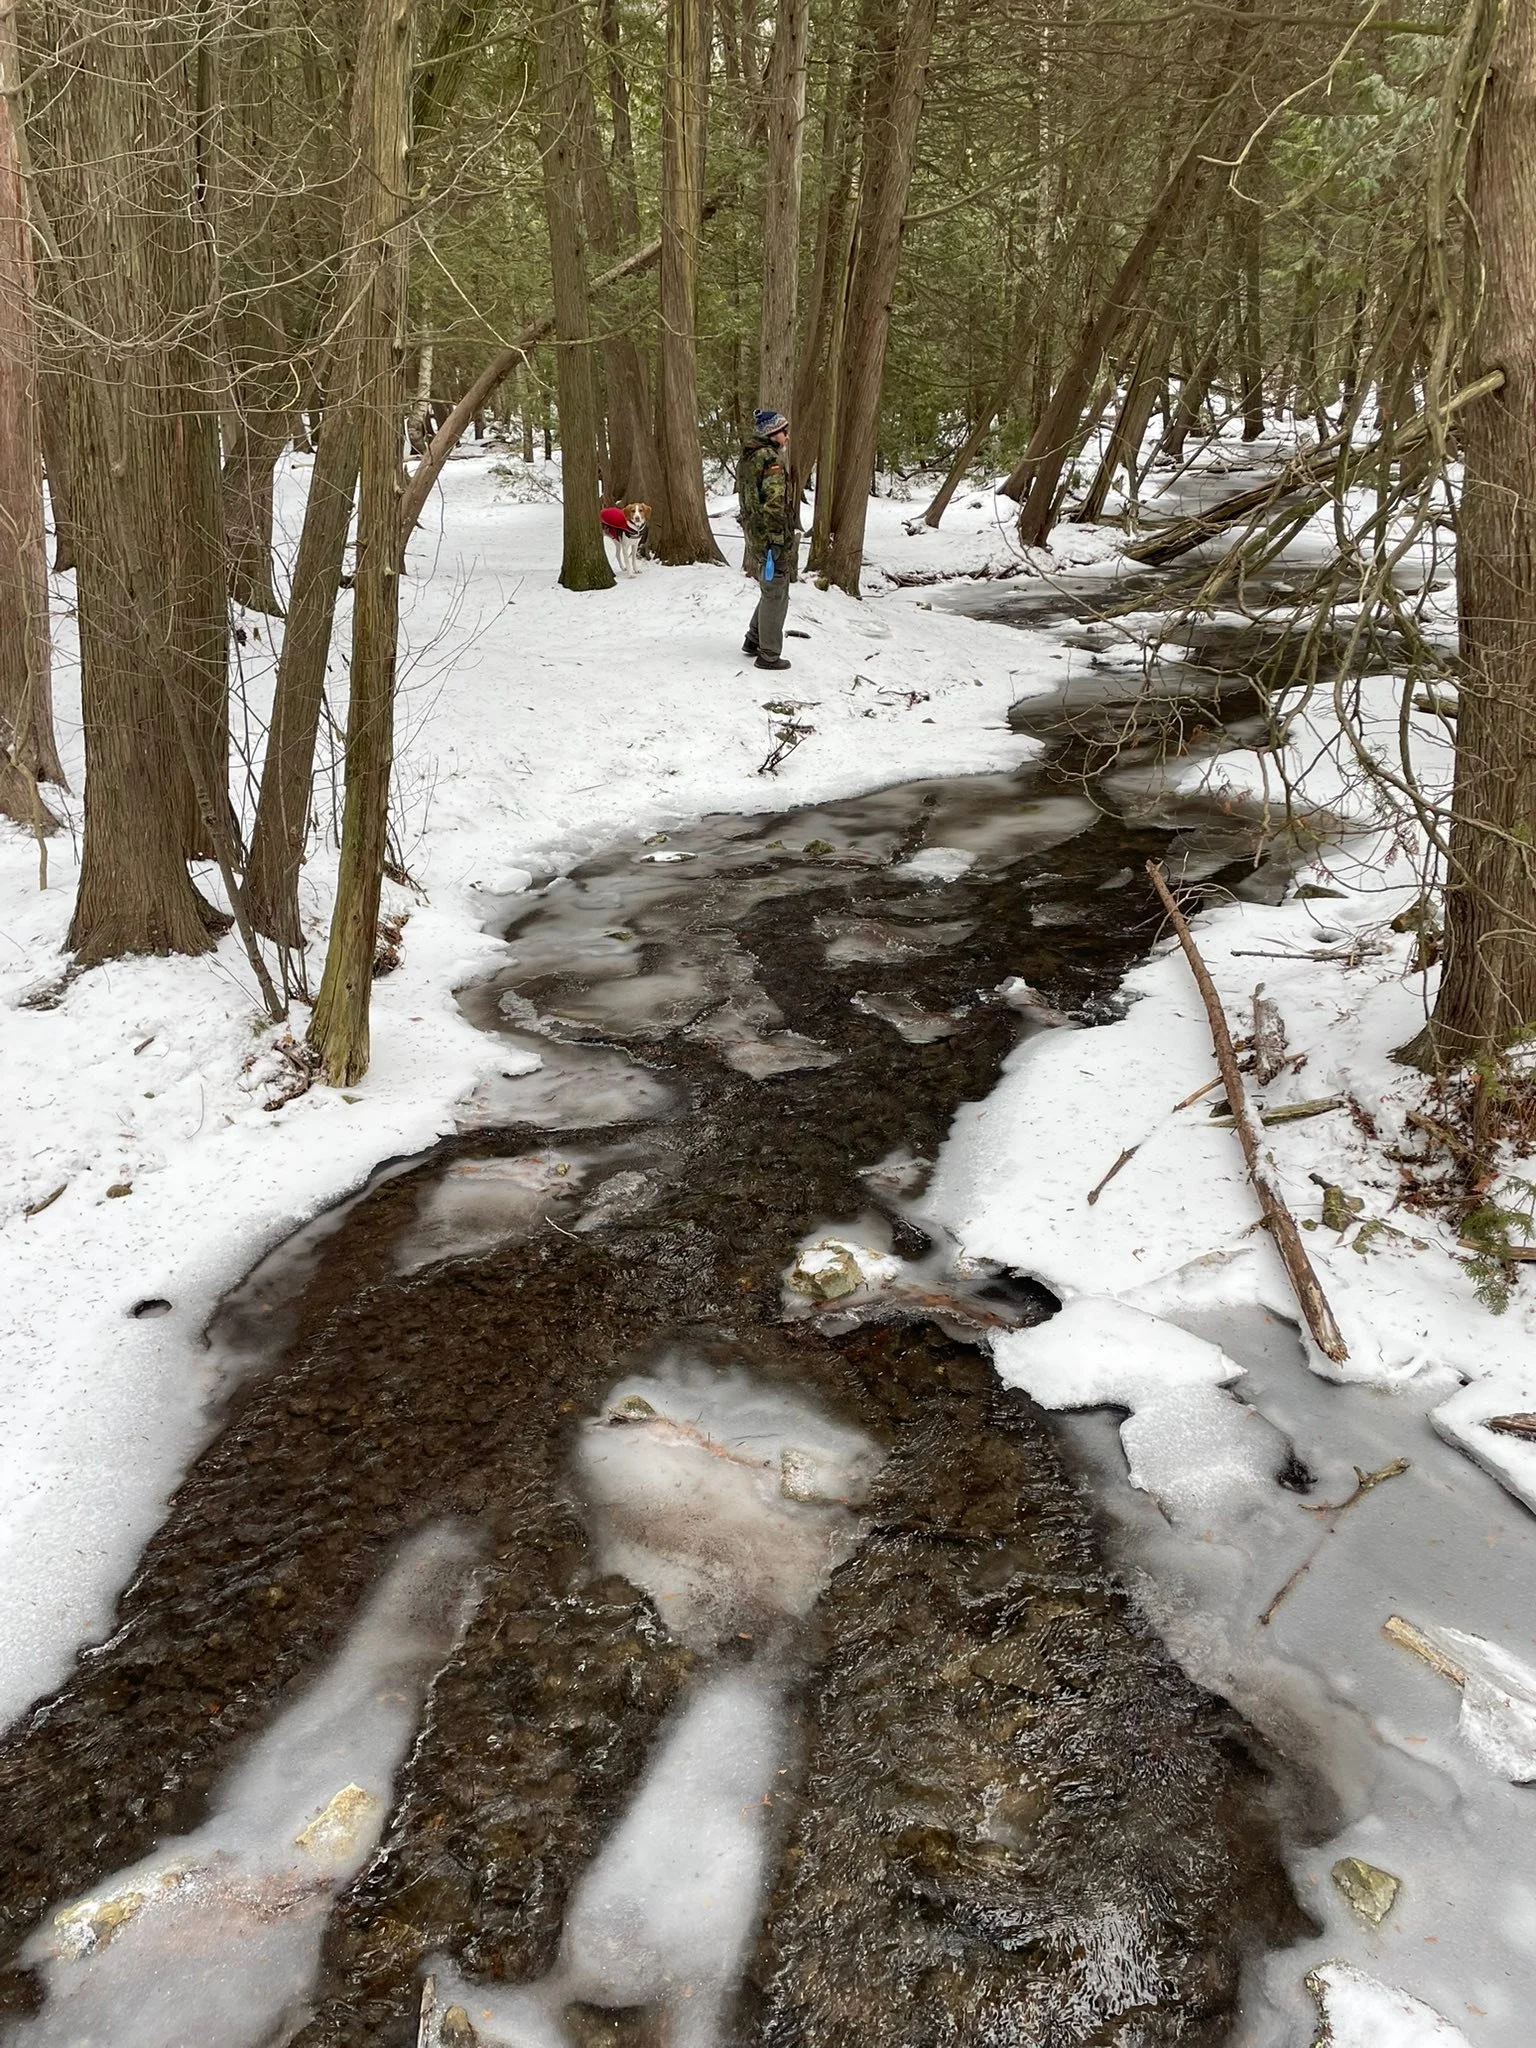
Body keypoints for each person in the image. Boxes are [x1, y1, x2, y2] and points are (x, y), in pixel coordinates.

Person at [737, 408, 797, 671]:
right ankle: (769, 654)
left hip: (755, 534)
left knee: (770, 586)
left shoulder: (748, 457)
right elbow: (774, 502)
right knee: (776, 591)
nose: (787, 435)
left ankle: (753, 639)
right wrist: (776, 538)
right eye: (784, 431)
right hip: (770, 536)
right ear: (773, 434)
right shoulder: (771, 460)